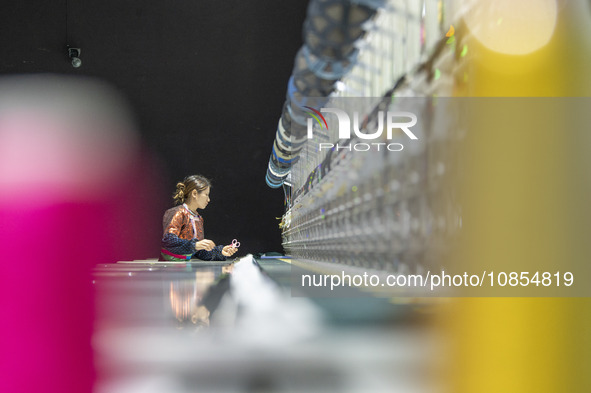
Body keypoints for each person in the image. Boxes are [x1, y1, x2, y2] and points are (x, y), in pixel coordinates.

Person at [160, 175, 238, 261]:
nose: (208, 200)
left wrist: (220, 251)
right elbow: (168, 241)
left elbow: (200, 252)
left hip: (184, 267)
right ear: (194, 193)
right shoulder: (178, 213)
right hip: (168, 266)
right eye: (206, 195)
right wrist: (195, 245)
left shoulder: (198, 219)